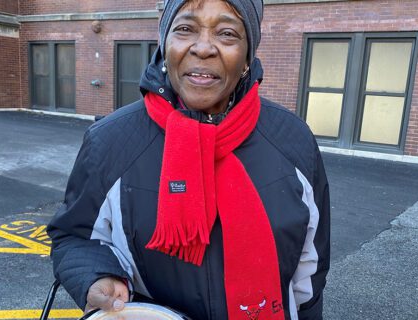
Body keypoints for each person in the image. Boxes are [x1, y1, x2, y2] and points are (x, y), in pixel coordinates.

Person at [47, 0, 330, 319]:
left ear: (248, 57)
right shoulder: (111, 141)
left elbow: (311, 270)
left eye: (226, 33)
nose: (204, 48)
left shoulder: (293, 139)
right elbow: (74, 235)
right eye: (185, 29)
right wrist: (95, 276)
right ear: (164, 42)